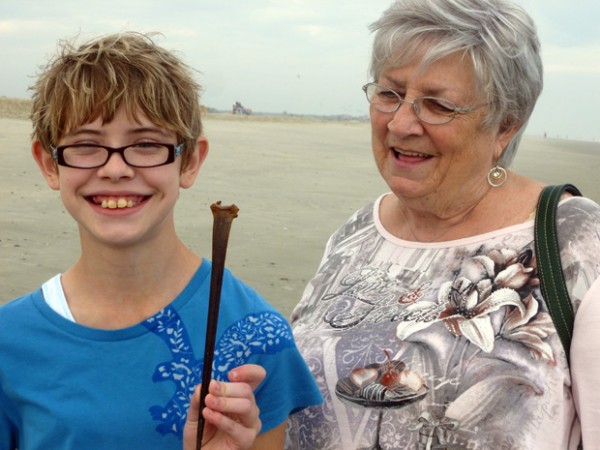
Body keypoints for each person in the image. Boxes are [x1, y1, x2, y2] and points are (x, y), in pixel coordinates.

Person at [285, 0, 600, 448]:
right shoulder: (356, 233)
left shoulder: (577, 241)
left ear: (505, 126)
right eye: (390, 93)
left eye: (437, 105)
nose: (400, 122)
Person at [0, 32, 322, 450]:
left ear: (189, 161)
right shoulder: (10, 343)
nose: (115, 169)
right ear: (49, 163)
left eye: (147, 144)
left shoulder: (256, 336)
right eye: (85, 145)